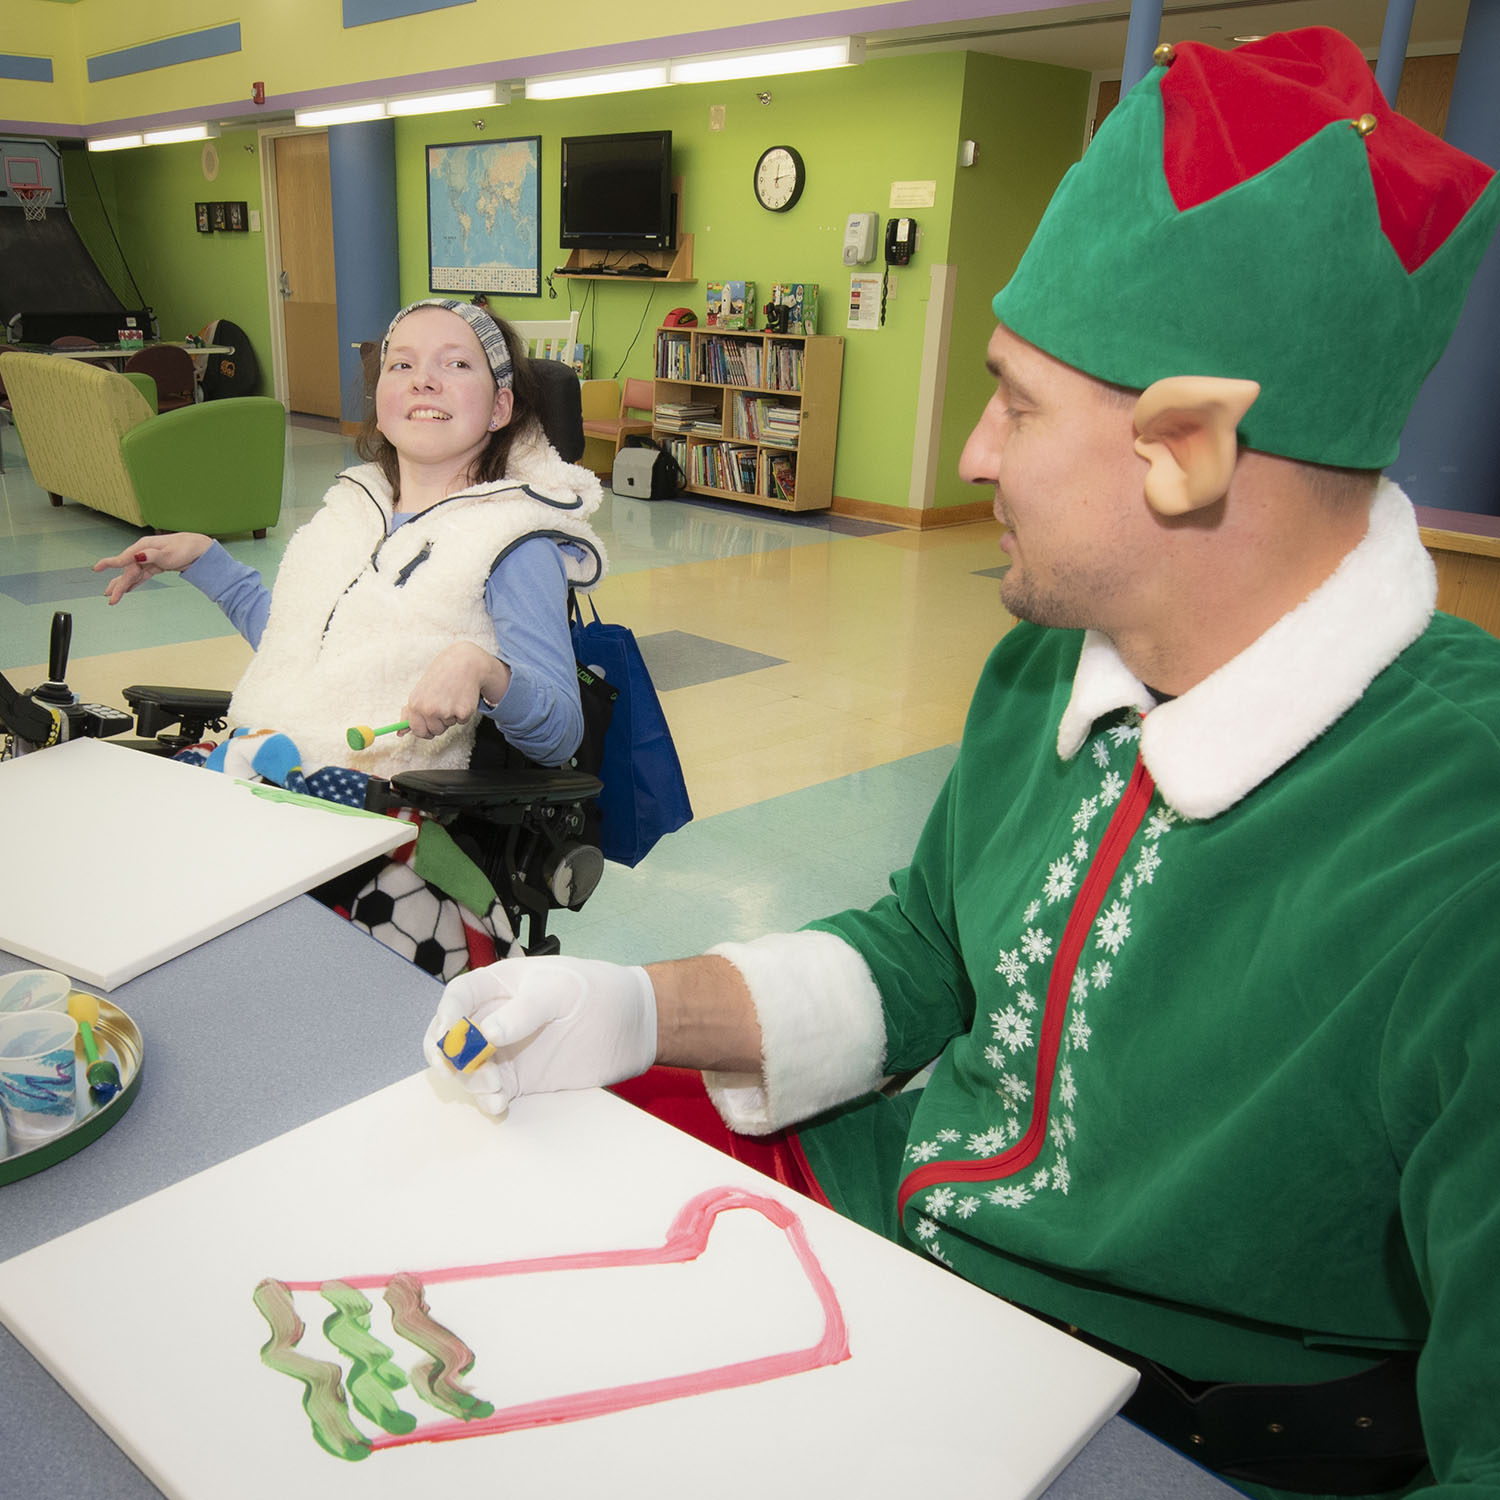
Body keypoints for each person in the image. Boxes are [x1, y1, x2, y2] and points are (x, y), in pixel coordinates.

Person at [422, 30, 1500, 1500]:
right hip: (899, 1223)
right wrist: (630, 1008)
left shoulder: (1466, 846)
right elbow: (931, 949)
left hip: (1145, 1411)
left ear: (1184, 446)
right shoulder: (1054, 659)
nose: (974, 453)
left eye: (1017, 401)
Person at [94, 298, 606, 778]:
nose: (423, 381)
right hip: (260, 765)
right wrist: (204, 558)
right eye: (401, 365)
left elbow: (560, 735)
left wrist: (485, 672)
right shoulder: (354, 510)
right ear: (379, 400)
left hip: (366, 811)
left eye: (455, 364)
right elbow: (299, 647)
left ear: (500, 407)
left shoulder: (515, 542)